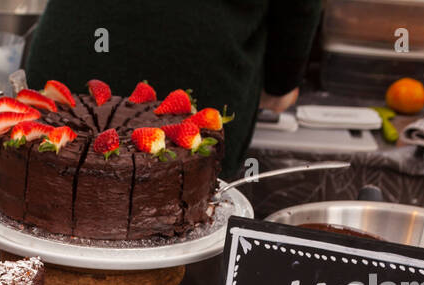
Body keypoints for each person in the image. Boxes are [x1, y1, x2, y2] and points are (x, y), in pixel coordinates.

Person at [25, 0, 323, 178]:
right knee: (177, 263)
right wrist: (282, 82)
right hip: (199, 68)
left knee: (37, 251)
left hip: (69, 55)